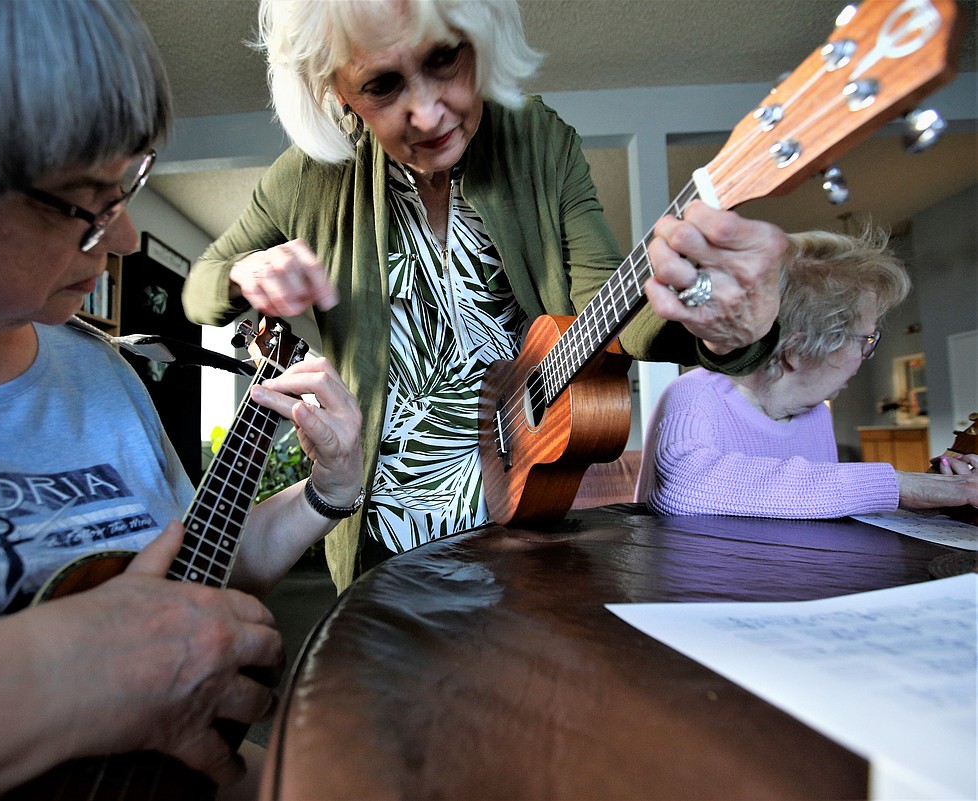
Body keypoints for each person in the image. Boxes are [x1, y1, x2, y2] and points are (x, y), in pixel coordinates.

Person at [0, 1, 363, 798]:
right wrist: (56, 677)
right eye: (87, 202)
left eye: (128, 184)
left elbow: (182, 575)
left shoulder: (99, 373)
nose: (129, 238)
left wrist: (327, 491)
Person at [182, 0, 790, 590]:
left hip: (525, 513)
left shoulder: (538, 141)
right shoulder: (306, 179)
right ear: (338, 93)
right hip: (380, 544)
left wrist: (724, 329)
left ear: (480, 43)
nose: (426, 113)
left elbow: (612, 309)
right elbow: (199, 292)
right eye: (383, 86)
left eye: (445, 59)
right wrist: (246, 273)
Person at [634, 229, 978, 517]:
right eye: (865, 340)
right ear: (797, 349)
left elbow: (810, 507)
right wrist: (899, 486)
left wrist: (942, 495)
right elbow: (683, 486)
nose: (865, 356)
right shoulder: (697, 395)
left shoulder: (814, 415)